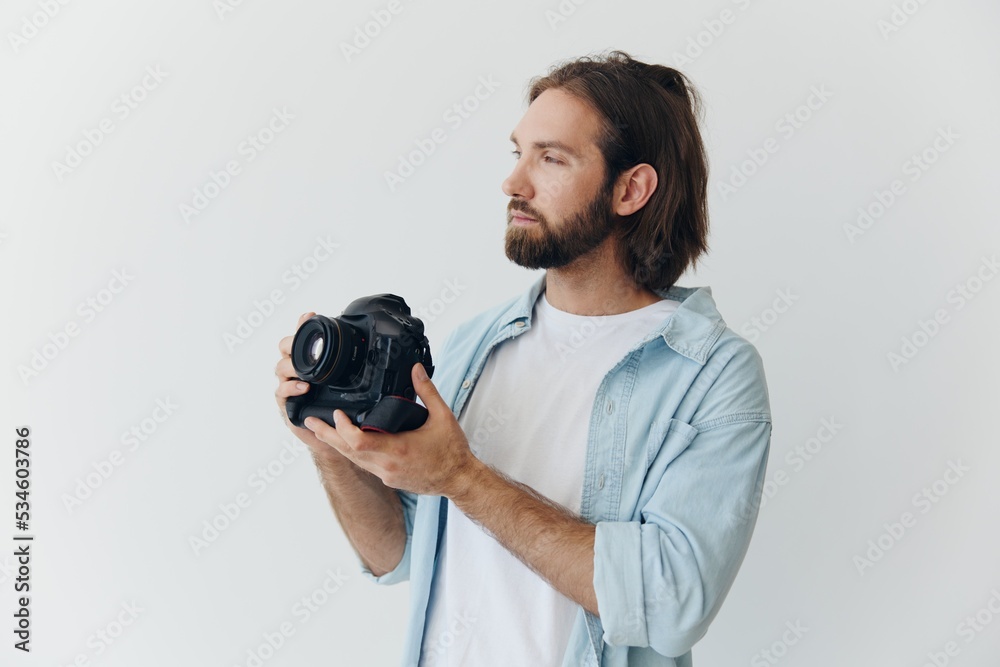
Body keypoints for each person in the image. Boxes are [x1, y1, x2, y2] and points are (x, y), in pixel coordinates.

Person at [274, 50, 771, 667]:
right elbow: (396, 554)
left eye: (552, 158)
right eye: (519, 153)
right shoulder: (473, 344)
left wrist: (462, 477)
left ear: (630, 189)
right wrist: (330, 446)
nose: (514, 183)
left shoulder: (712, 375)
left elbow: (670, 605)